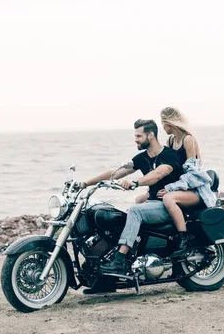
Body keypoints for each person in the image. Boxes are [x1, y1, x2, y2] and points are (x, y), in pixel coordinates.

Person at [79, 119, 183, 277]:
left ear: (151, 136)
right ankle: (104, 274)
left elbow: (157, 174)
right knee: (117, 217)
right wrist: (86, 183)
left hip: (168, 205)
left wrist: (135, 182)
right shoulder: (142, 158)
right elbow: (115, 173)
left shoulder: (170, 155)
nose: (135, 139)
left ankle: (119, 260)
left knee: (135, 211)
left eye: (138, 136)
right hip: (152, 203)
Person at [156, 106, 215, 258]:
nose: (163, 127)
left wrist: (170, 188)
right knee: (143, 198)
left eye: (163, 123)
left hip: (196, 190)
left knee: (168, 198)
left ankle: (183, 238)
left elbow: (193, 174)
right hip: (180, 188)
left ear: (170, 122)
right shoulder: (170, 140)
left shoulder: (188, 139)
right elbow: (170, 170)